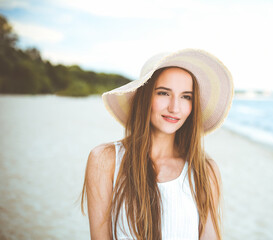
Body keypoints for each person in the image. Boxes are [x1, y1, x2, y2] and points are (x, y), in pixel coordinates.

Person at [81, 49, 233, 240]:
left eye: (186, 96)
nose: (174, 107)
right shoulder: (105, 160)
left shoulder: (205, 171)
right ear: (144, 97)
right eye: (163, 93)